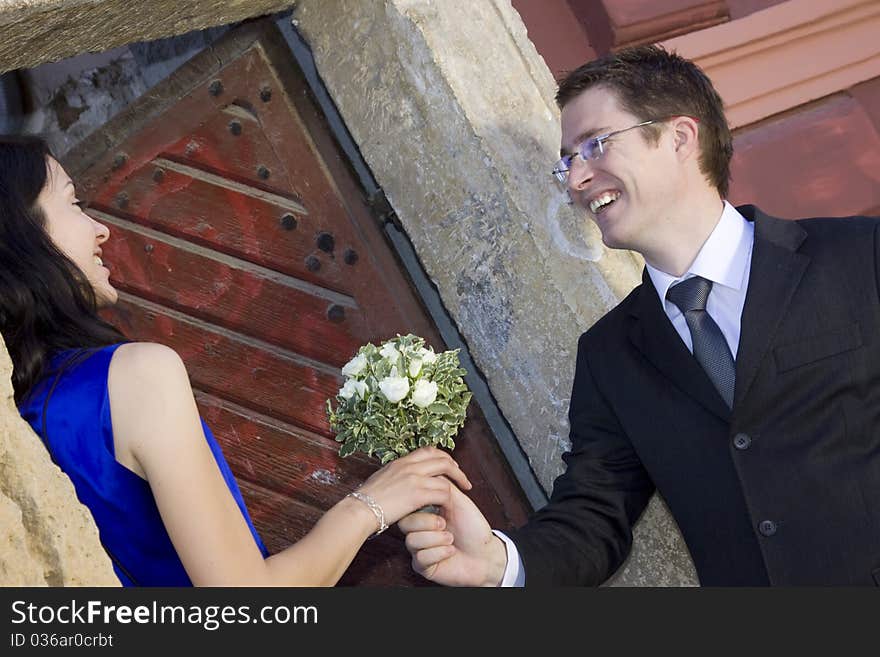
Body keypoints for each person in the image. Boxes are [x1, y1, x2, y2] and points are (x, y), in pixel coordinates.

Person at [400, 45, 880, 586]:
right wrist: (497, 561)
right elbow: (593, 518)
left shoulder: (862, 256)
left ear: (679, 138)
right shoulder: (609, 355)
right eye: (568, 160)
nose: (576, 178)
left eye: (596, 145)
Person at [0, 134, 471, 586]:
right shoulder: (136, 376)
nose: (100, 228)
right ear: (21, 235)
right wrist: (373, 502)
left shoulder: (25, 413)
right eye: (74, 203)